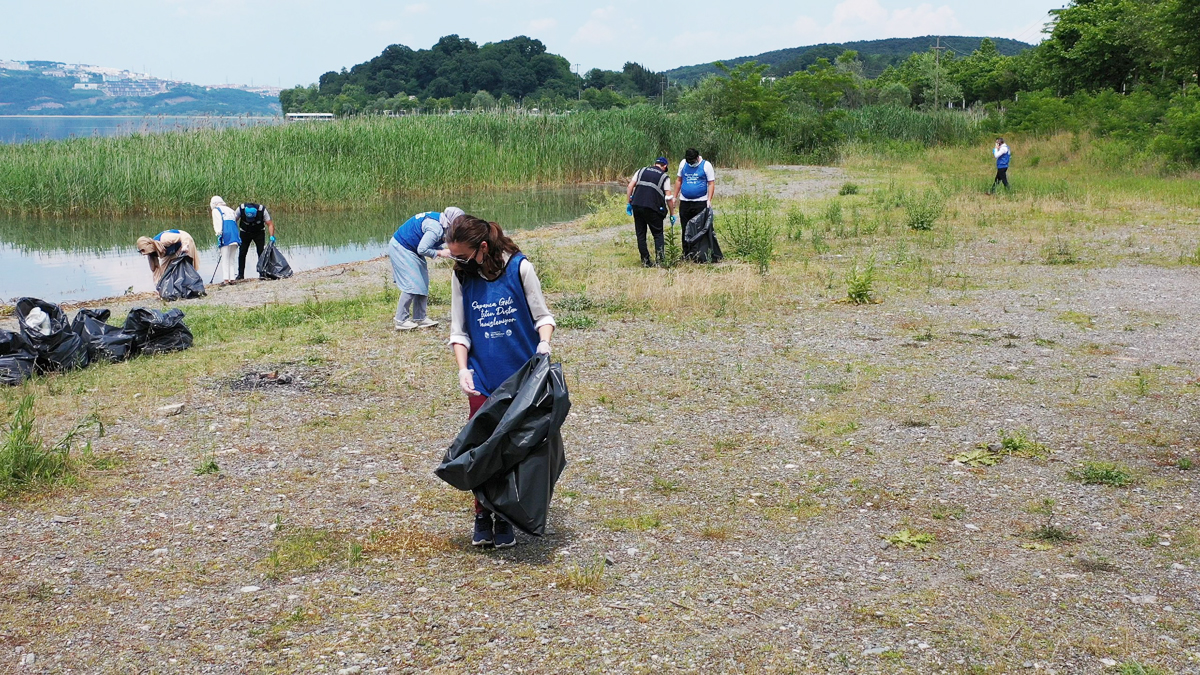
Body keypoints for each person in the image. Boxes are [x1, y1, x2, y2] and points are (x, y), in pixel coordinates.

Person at [446, 214, 555, 548]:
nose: (457, 261)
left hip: (521, 378)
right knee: (481, 449)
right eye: (453, 256)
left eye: (462, 255)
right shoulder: (462, 277)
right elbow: (459, 330)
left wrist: (544, 345)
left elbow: (543, 316)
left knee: (514, 449)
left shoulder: (520, 268)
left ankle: (506, 515)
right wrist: (463, 369)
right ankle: (483, 514)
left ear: (482, 247)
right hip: (482, 378)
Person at [389, 207, 464, 330]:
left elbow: (425, 246)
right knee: (412, 284)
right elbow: (422, 249)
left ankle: (420, 317)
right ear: (451, 221)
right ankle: (400, 320)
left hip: (413, 249)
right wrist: (440, 253)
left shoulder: (442, 222)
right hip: (402, 247)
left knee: (422, 282)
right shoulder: (435, 228)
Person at [626, 156, 676, 267]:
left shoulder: (641, 170)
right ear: (665, 166)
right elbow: (668, 198)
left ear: (655, 164)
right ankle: (660, 261)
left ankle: (645, 261)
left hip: (637, 205)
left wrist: (628, 203)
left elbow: (630, 187)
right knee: (658, 234)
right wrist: (672, 214)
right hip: (652, 207)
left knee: (640, 234)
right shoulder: (664, 176)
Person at [677, 148, 715, 246]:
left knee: (699, 228)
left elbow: (711, 183)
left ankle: (699, 252)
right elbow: (679, 180)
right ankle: (686, 252)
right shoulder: (683, 164)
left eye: (692, 161)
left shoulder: (706, 165)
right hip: (685, 201)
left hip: (700, 202)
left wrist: (709, 200)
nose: (691, 163)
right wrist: (674, 196)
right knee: (685, 228)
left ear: (697, 158)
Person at [235, 202, 276, 280]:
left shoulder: (262, 210)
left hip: (259, 232)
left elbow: (270, 224)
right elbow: (233, 221)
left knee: (261, 252)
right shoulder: (241, 209)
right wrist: (233, 234)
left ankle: (262, 273)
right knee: (242, 253)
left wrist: (271, 236)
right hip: (245, 232)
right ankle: (240, 275)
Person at [210, 196, 240, 285]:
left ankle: (226, 279)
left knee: (225, 258)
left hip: (225, 235)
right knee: (231, 258)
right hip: (235, 235)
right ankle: (232, 279)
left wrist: (219, 235)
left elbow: (218, 224)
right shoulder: (230, 210)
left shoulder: (216, 210)